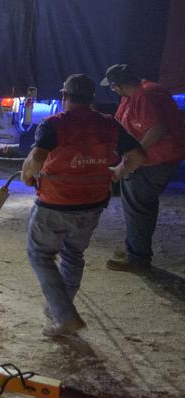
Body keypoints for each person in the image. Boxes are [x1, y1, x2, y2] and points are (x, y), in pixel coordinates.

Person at [21, 74, 145, 337]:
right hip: (92, 204)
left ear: (64, 96)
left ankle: (64, 315)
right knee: (73, 255)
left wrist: (27, 176)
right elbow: (137, 156)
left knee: (40, 255)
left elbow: (36, 158)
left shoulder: (55, 124)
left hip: (56, 204)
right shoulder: (109, 125)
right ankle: (61, 308)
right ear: (92, 99)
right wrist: (118, 172)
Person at [101, 64, 185, 273]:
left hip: (153, 162)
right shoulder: (140, 92)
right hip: (156, 160)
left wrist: (131, 157)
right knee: (140, 206)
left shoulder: (145, 96)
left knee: (138, 207)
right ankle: (135, 249)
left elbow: (157, 129)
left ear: (117, 86)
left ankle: (138, 258)